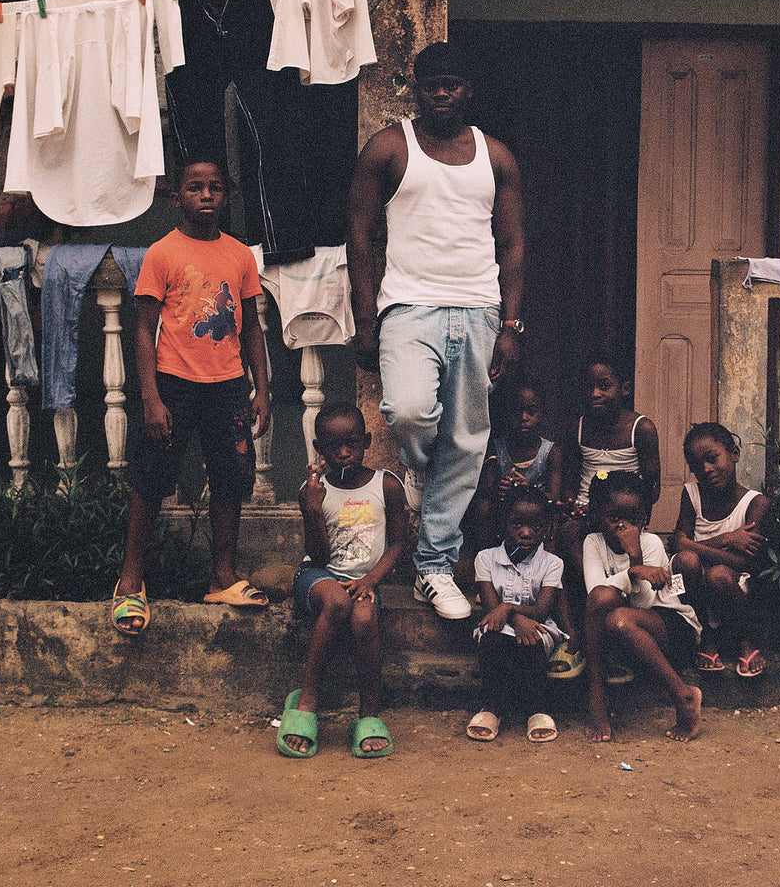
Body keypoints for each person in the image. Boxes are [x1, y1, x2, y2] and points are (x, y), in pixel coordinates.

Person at [348, 41, 525, 621]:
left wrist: (511, 323)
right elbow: (360, 234)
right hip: (408, 306)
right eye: (432, 84)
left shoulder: (494, 155)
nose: (443, 93)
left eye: (453, 83)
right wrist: (366, 317)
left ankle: (433, 564)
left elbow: (513, 244)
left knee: (469, 438)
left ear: (467, 88)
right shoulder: (389, 147)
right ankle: (421, 466)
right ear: (416, 89)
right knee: (407, 412)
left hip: (478, 307)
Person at [110, 157, 271, 636]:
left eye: (216, 188)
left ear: (227, 195)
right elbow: (142, 329)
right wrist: (151, 398)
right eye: (195, 188)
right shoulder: (162, 253)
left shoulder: (241, 255)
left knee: (229, 478)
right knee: (152, 479)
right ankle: (130, 580)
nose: (206, 196)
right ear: (176, 197)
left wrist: (262, 387)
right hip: (174, 382)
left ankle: (222, 575)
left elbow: (252, 325)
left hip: (227, 386)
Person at [277, 403, 407, 758]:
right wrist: (314, 509)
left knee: (364, 618)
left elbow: (398, 543)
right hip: (319, 576)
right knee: (337, 602)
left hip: (364, 579)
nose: (344, 452)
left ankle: (368, 715)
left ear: (366, 441)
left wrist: (371, 580)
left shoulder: (387, 485)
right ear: (320, 448)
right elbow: (318, 556)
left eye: (352, 443)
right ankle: (306, 703)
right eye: (333, 446)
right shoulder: (313, 489)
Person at [582, 470, 702, 743]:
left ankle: (683, 695)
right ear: (597, 515)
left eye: (633, 520)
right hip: (629, 635)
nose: (623, 527)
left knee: (619, 618)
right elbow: (595, 597)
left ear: (645, 518)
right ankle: (597, 692)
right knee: (606, 603)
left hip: (672, 628)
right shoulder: (593, 542)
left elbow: (647, 602)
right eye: (614, 518)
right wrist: (635, 572)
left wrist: (635, 556)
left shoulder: (650, 542)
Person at [555, 354, 661, 626]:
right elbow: (570, 479)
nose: (595, 394)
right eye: (589, 387)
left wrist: (633, 516)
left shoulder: (641, 428)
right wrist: (571, 503)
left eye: (604, 386)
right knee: (566, 535)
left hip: (624, 510)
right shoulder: (577, 428)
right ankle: (601, 591)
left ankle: (610, 596)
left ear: (624, 388)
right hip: (587, 512)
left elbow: (653, 487)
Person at [466, 486, 565, 743]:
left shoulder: (553, 563)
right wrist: (515, 617)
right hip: (498, 624)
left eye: (536, 526)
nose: (526, 533)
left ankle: (537, 709)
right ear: (502, 524)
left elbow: (542, 611)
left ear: (546, 529)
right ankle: (492, 708)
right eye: (517, 525)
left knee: (530, 640)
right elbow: (490, 609)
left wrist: (509, 608)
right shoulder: (485, 558)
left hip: (538, 625)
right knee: (493, 637)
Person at [671, 422, 770, 677]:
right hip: (692, 587)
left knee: (718, 574)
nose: (707, 469)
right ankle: (706, 634)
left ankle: (745, 639)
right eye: (697, 466)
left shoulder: (755, 503)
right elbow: (677, 546)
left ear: (734, 454)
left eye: (713, 459)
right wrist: (726, 538)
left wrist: (692, 545)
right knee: (685, 561)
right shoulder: (690, 494)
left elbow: (745, 563)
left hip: (733, 585)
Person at [468, 377, 563, 554]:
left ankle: (549, 565)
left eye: (531, 411)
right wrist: (500, 488)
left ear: (542, 414)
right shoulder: (496, 448)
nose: (523, 418)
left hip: (536, 516)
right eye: (517, 412)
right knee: (482, 506)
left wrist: (529, 489)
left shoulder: (550, 451)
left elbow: (555, 497)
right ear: (506, 414)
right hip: (506, 516)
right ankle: (487, 558)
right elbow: (485, 490)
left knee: (555, 515)